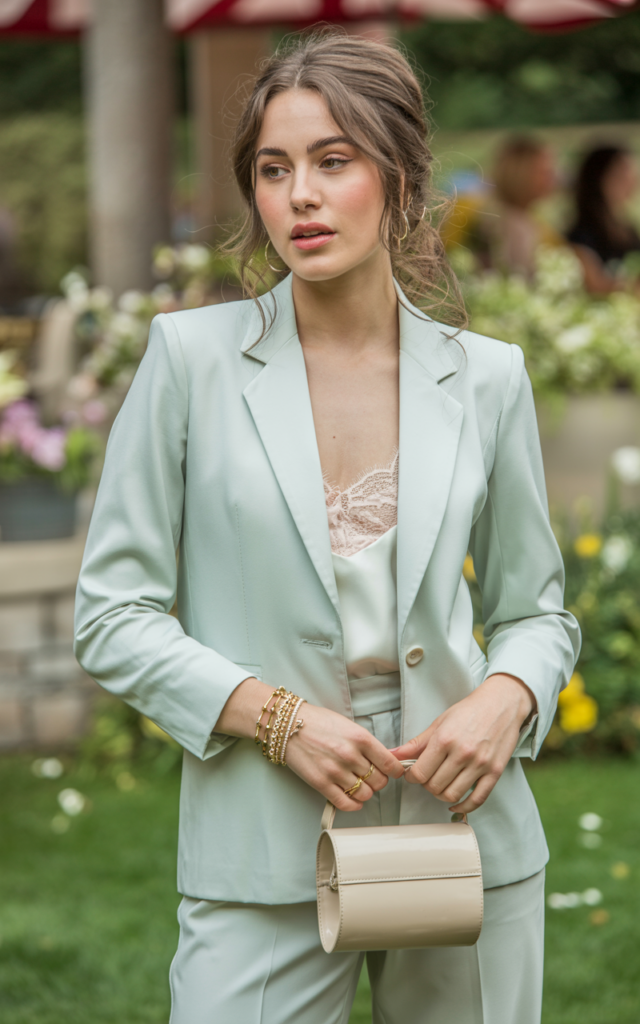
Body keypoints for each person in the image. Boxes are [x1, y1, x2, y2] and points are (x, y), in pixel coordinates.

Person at [74, 30, 580, 1024]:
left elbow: (536, 611)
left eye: (332, 161)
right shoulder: (189, 362)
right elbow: (111, 614)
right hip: (264, 837)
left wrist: (507, 697)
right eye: (274, 169)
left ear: (402, 180)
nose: (300, 195)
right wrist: (275, 717)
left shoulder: (488, 378)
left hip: (464, 830)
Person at [567, 144, 640, 294]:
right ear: (598, 178)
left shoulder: (627, 229)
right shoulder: (582, 234)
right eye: (620, 175)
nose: (631, 181)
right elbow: (595, 285)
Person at [488, 135, 561, 277]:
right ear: (521, 174)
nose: (553, 178)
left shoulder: (526, 217)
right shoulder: (510, 224)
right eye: (544, 172)